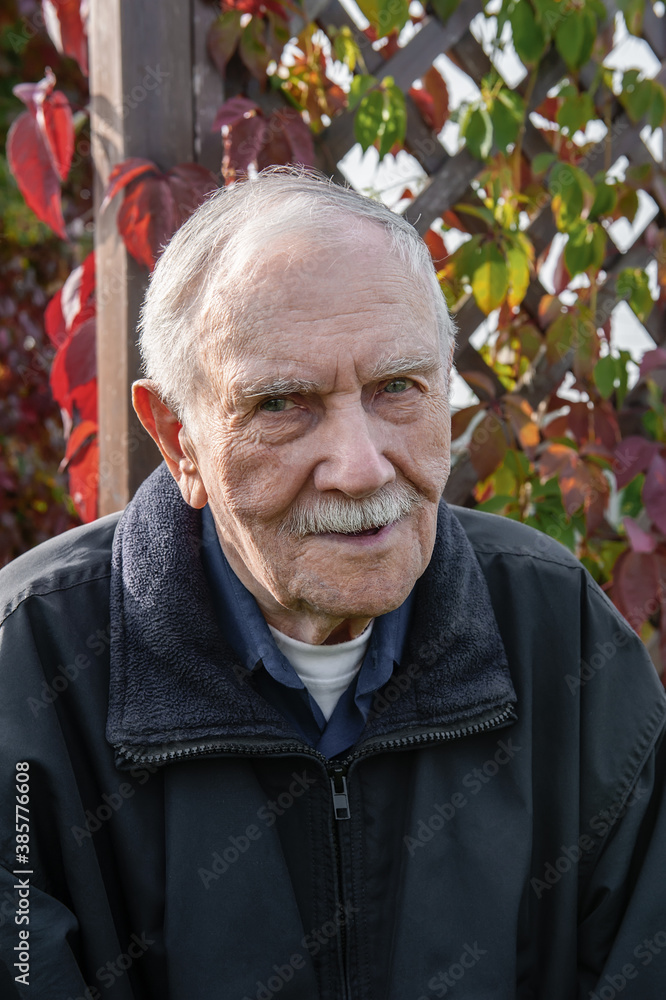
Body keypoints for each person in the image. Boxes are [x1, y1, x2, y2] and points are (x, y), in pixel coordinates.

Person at [0, 165, 664, 1000]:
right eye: (282, 404)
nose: (360, 467)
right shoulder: (29, 664)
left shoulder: (557, 629)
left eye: (398, 389)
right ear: (178, 441)